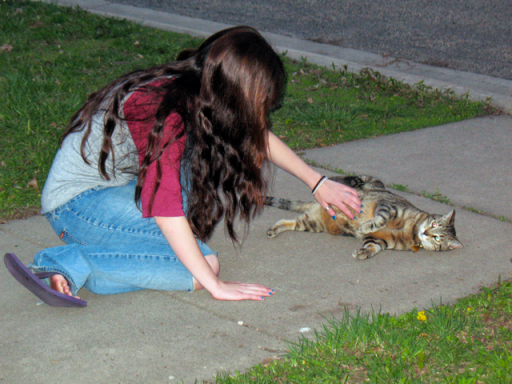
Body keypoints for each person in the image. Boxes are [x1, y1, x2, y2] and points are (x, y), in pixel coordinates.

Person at [4, 26, 362, 307]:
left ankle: (82, 265)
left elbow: (255, 135)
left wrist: (317, 183)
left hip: (117, 192)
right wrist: (215, 286)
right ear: (234, 89)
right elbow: (165, 207)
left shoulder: (201, 88)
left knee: (184, 250)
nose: (263, 109)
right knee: (203, 265)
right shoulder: (162, 109)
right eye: (259, 99)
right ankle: (71, 261)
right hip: (76, 205)